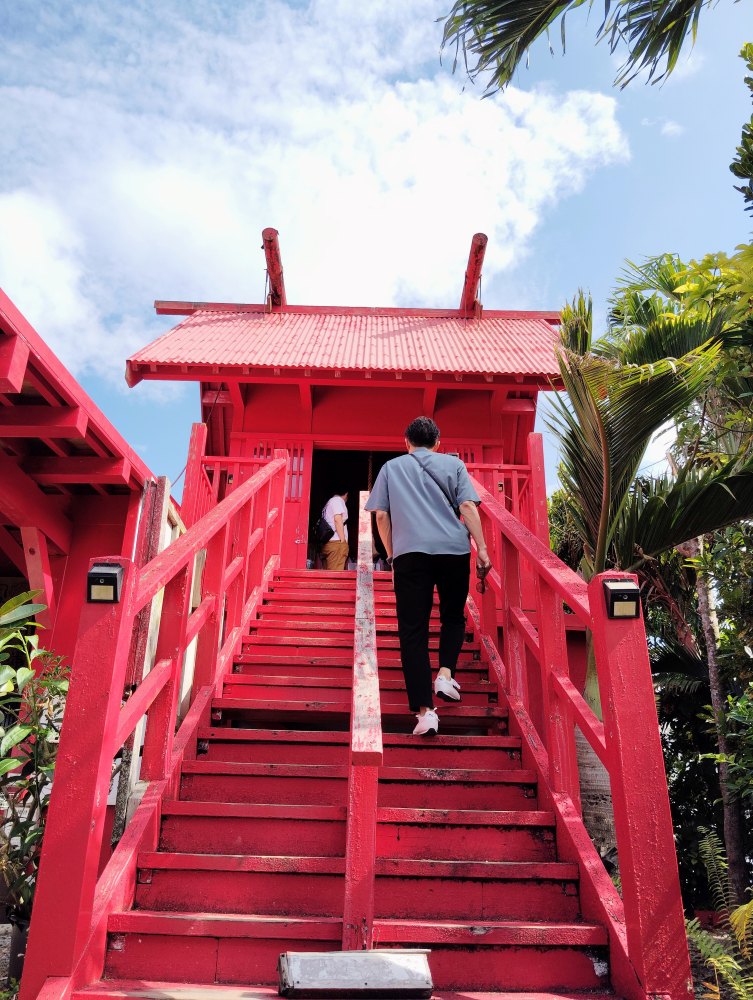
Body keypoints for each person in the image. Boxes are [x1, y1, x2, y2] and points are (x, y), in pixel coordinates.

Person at [366, 417, 492, 737]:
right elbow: (467, 506)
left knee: (413, 630)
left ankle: (425, 713)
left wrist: (393, 555)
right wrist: (482, 549)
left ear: (406, 442)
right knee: (452, 617)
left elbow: (381, 515)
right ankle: (445, 675)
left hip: (410, 554)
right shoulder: (454, 465)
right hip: (453, 551)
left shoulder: (391, 468)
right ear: (438, 443)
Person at [319, 488, 350, 571]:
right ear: (346, 494)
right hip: (336, 543)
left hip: (328, 543)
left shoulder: (329, 503)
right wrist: (342, 541)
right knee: (336, 574)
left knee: (328, 575)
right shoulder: (337, 500)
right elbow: (337, 519)